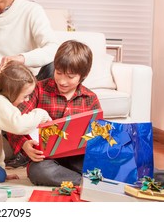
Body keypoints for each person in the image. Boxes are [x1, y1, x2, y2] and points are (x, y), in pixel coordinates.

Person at [6, 40, 102, 186]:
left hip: (77, 157)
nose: (62, 81)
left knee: (99, 165)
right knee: (39, 171)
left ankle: (82, 178)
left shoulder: (90, 99)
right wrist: (24, 144)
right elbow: (16, 121)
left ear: (83, 76)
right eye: (58, 73)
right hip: (45, 159)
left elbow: (98, 136)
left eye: (70, 77)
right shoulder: (38, 89)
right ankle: (85, 182)